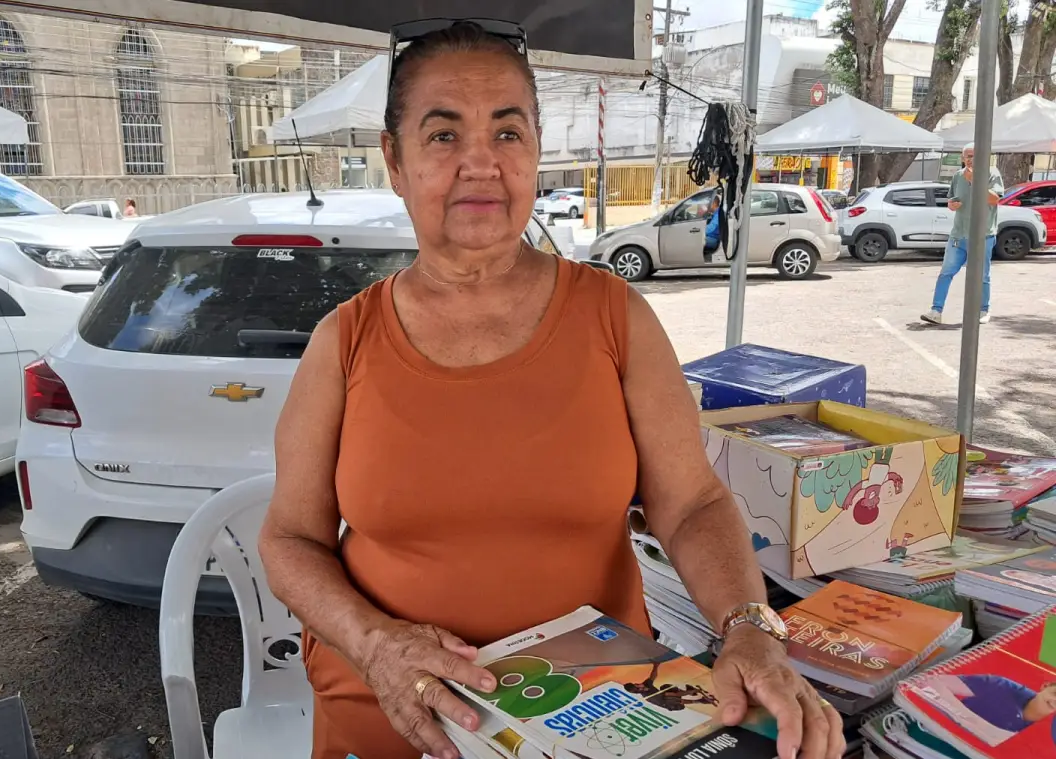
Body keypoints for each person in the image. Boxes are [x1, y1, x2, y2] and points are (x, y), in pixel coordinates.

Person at [257, 20, 843, 759]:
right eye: (443, 136)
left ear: (536, 148)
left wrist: (751, 628)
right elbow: (289, 539)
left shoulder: (614, 315)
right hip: (396, 713)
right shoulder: (343, 341)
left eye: (508, 133)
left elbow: (691, 502)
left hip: (601, 715)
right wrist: (376, 644)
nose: (481, 163)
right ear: (394, 160)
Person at [921, 142, 1003, 326]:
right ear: (962, 158)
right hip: (958, 234)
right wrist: (952, 205)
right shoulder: (958, 176)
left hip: (983, 235)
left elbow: (994, 199)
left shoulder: (992, 173)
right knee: (946, 273)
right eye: (968, 156)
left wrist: (975, 180)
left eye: (975, 155)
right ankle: (936, 311)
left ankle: (983, 309)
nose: (971, 159)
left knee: (982, 275)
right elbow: (952, 200)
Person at [918, 674, 1056, 746]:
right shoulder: (1002, 687)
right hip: (939, 738)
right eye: (1055, 694)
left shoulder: (1050, 736)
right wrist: (972, 721)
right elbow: (930, 683)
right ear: (1045, 686)